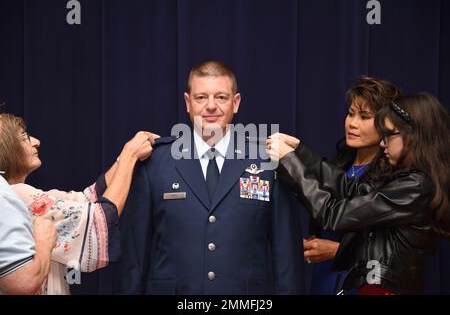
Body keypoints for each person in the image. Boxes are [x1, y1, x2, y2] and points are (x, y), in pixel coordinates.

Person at [112, 61, 304, 294]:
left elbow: (287, 260)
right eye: (201, 97)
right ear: (187, 103)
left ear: (236, 103)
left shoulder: (268, 161)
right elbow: (135, 258)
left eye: (221, 97)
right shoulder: (154, 163)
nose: (211, 106)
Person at [267, 92, 450, 294]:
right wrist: (300, 151)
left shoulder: (415, 187)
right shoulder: (406, 181)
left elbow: (333, 215)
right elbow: (350, 189)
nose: (383, 142)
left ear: (414, 136)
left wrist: (289, 162)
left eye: (389, 134)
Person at [0, 112, 158, 294]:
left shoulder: (22, 195)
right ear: (7, 148)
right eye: (24, 138)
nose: (36, 141)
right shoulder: (17, 194)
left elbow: (89, 197)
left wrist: (125, 155)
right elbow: (99, 220)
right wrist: (130, 156)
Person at [304, 76, 403, 294]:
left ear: (387, 125)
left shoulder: (395, 179)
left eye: (364, 116)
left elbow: (398, 249)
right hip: (323, 280)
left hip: (362, 284)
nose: (353, 123)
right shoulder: (339, 165)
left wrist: (337, 251)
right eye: (350, 114)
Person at [0, 166, 57, 294]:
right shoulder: (10, 193)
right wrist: (44, 241)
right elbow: (23, 281)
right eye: (25, 143)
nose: (37, 144)